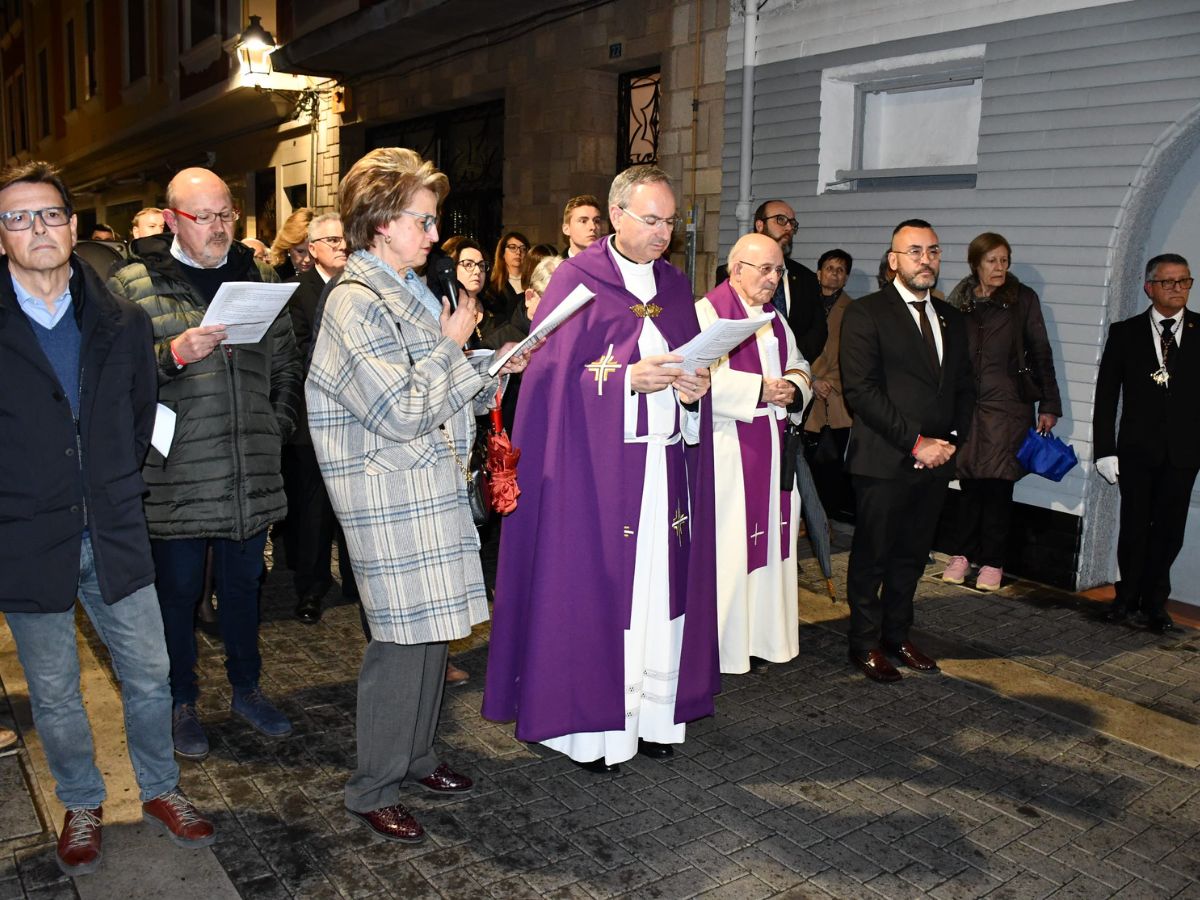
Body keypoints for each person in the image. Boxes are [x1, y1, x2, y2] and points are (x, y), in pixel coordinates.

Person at [306, 147, 530, 844]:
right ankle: (373, 785)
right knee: (399, 650)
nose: (435, 236)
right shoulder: (353, 302)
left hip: (424, 491)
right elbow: (402, 408)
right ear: (381, 223)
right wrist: (454, 349)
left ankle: (418, 758)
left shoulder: (399, 291)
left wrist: (492, 362)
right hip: (388, 497)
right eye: (424, 221)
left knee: (433, 637)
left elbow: (437, 381)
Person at [0, 161, 214, 876]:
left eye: (50, 215)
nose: (39, 229)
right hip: (29, 538)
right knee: (56, 693)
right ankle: (82, 801)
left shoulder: (121, 319)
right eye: (20, 217)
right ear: (1, 233)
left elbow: (135, 414)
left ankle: (159, 787)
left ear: (72, 224)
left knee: (151, 673)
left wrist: (113, 482)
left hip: (116, 529)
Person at [483, 164, 719, 774]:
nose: (663, 233)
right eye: (651, 219)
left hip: (662, 472)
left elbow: (695, 367)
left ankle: (657, 716)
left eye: (670, 221)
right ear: (616, 215)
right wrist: (628, 385)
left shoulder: (672, 284)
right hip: (593, 483)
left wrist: (694, 392)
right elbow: (545, 379)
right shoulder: (577, 279)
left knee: (657, 594)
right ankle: (590, 732)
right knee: (597, 596)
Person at [108, 167, 302, 761]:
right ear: (171, 220)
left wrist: (278, 426)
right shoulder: (134, 285)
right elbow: (114, 377)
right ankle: (181, 700)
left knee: (245, 588)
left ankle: (247, 688)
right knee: (179, 592)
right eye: (204, 217)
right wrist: (171, 353)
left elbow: (287, 363)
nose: (219, 228)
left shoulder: (259, 276)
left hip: (248, 470)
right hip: (176, 476)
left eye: (226, 215)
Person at [840, 219, 974, 683]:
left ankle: (897, 636)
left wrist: (948, 444)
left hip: (935, 463)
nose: (926, 260)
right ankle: (863, 643)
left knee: (912, 557)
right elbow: (861, 391)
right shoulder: (867, 313)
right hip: (883, 459)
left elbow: (963, 388)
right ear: (894, 260)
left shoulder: (953, 319)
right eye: (914, 251)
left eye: (933, 251)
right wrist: (916, 441)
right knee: (873, 556)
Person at [697, 233, 812, 675]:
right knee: (731, 549)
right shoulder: (706, 313)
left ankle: (764, 638)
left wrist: (793, 387)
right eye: (764, 269)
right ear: (736, 268)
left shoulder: (775, 320)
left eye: (778, 270)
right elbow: (697, 377)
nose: (773, 278)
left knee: (774, 546)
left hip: (773, 446)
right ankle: (725, 646)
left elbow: (800, 364)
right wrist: (759, 389)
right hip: (729, 450)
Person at [942, 233, 1063, 591]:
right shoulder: (959, 302)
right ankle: (961, 555)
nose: (999, 267)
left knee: (997, 485)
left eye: (1004, 260)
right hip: (967, 406)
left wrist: (1050, 404)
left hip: (1008, 406)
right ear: (976, 263)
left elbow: (1041, 352)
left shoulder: (1023, 300)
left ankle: (993, 562)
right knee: (968, 484)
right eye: (992, 260)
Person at [1094, 253, 1198, 634]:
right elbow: (1107, 395)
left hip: (1184, 452)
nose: (1177, 289)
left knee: (1170, 530)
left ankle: (1156, 604)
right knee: (1135, 526)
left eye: (1184, 281)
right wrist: (1104, 449)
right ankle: (1126, 599)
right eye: (1168, 282)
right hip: (1136, 450)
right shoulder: (1126, 332)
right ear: (1149, 287)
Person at [282, 212, 355, 625]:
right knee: (312, 510)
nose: (341, 245)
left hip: (354, 419)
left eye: (343, 239)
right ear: (312, 249)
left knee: (351, 504)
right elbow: (299, 350)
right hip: (311, 420)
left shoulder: (359, 289)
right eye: (330, 240)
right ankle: (310, 588)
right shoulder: (297, 293)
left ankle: (354, 579)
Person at [715, 200, 826, 362]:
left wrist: (792, 361)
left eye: (792, 223)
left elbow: (818, 330)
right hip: (748, 369)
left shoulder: (806, 278)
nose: (789, 228)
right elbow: (728, 325)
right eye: (781, 220)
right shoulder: (733, 272)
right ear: (760, 225)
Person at [805, 249, 856, 522]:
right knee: (803, 462)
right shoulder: (805, 304)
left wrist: (830, 383)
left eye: (840, 269)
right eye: (829, 267)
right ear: (818, 272)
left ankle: (826, 520)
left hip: (833, 400)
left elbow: (853, 356)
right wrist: (810, 380)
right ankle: (803, 519)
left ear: (846, 277)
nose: (834, 273)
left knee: (830, 464)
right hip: (805, 390)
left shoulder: (854, 311)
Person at [485, 230, 530, 322]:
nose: (518, 252)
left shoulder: (532, 283)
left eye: (523, 248)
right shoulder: (492, 287)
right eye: (512, 247)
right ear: (502, 254)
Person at [270, 207, 314, 280]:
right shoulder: (275, 276)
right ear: (287, 247)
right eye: (300, 251)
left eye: (313, 251)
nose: (307, 259)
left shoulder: (330, 274)